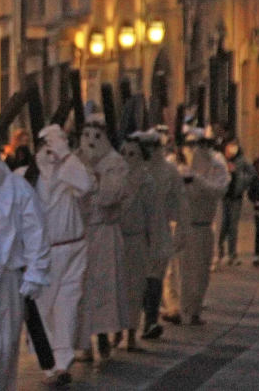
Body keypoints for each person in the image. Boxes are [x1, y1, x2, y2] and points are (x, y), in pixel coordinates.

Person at [0, 133, 49, 391]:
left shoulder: (18, 189)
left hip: (6, 280)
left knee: (3, 346)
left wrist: (35, 272)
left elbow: (35, 231)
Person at [32, 124, 93, 386]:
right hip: (45, 253)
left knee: (67, 306)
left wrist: (66, 155)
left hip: (73, 249)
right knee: (44, 308)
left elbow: (86, 184)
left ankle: (62, 363)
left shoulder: (69, 172)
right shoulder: (28, 176)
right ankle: (49, 363)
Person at [74, 113, 129, 362]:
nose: (91, 141)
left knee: (104, 289)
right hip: (82, 234)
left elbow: (112, 196)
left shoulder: (115, 163)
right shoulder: (76, 160)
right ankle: (83, 343)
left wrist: (97, 178)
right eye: (86, 135)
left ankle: (104, 337)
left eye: (97, 136)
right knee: (82, 289)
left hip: (105, 233)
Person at [164, 128, 229, 325]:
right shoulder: (173, 163)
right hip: (179, 224)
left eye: (200, 145)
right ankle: (174, 307)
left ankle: (193, 309)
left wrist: (197, 181)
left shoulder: (216, 165)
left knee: (200, 272)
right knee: (174, 270)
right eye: (192, 145)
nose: (196, 150)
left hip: (202, 226)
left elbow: (220, 189)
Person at [137, 129, 178, 340]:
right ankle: (145, 321)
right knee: (146, 278)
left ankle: (150, 320)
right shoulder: (137, 169)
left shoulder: (167, 170)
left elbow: (176, 202)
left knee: (153, 278)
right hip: (140, 230)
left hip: (155, 229)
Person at [118, 134, 155, 351]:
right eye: (123, 153)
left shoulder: (146, 181)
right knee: (117, 287)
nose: (127, 158)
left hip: (137, 240)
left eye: (132, 154)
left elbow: (152, 214)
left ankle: (131, 333)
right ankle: (115, 331)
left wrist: (152, 240)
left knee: (135, 288)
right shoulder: (114, 178)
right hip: (117, 239)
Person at [217, 139, 256, 266]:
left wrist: (241, 179)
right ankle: (219, 250)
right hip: (223, 196)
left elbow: (252, 174)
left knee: (233, 226)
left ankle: (232, 253)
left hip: (235, 196)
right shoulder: (221, 160)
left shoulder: (242, 160)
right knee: (222, 225)